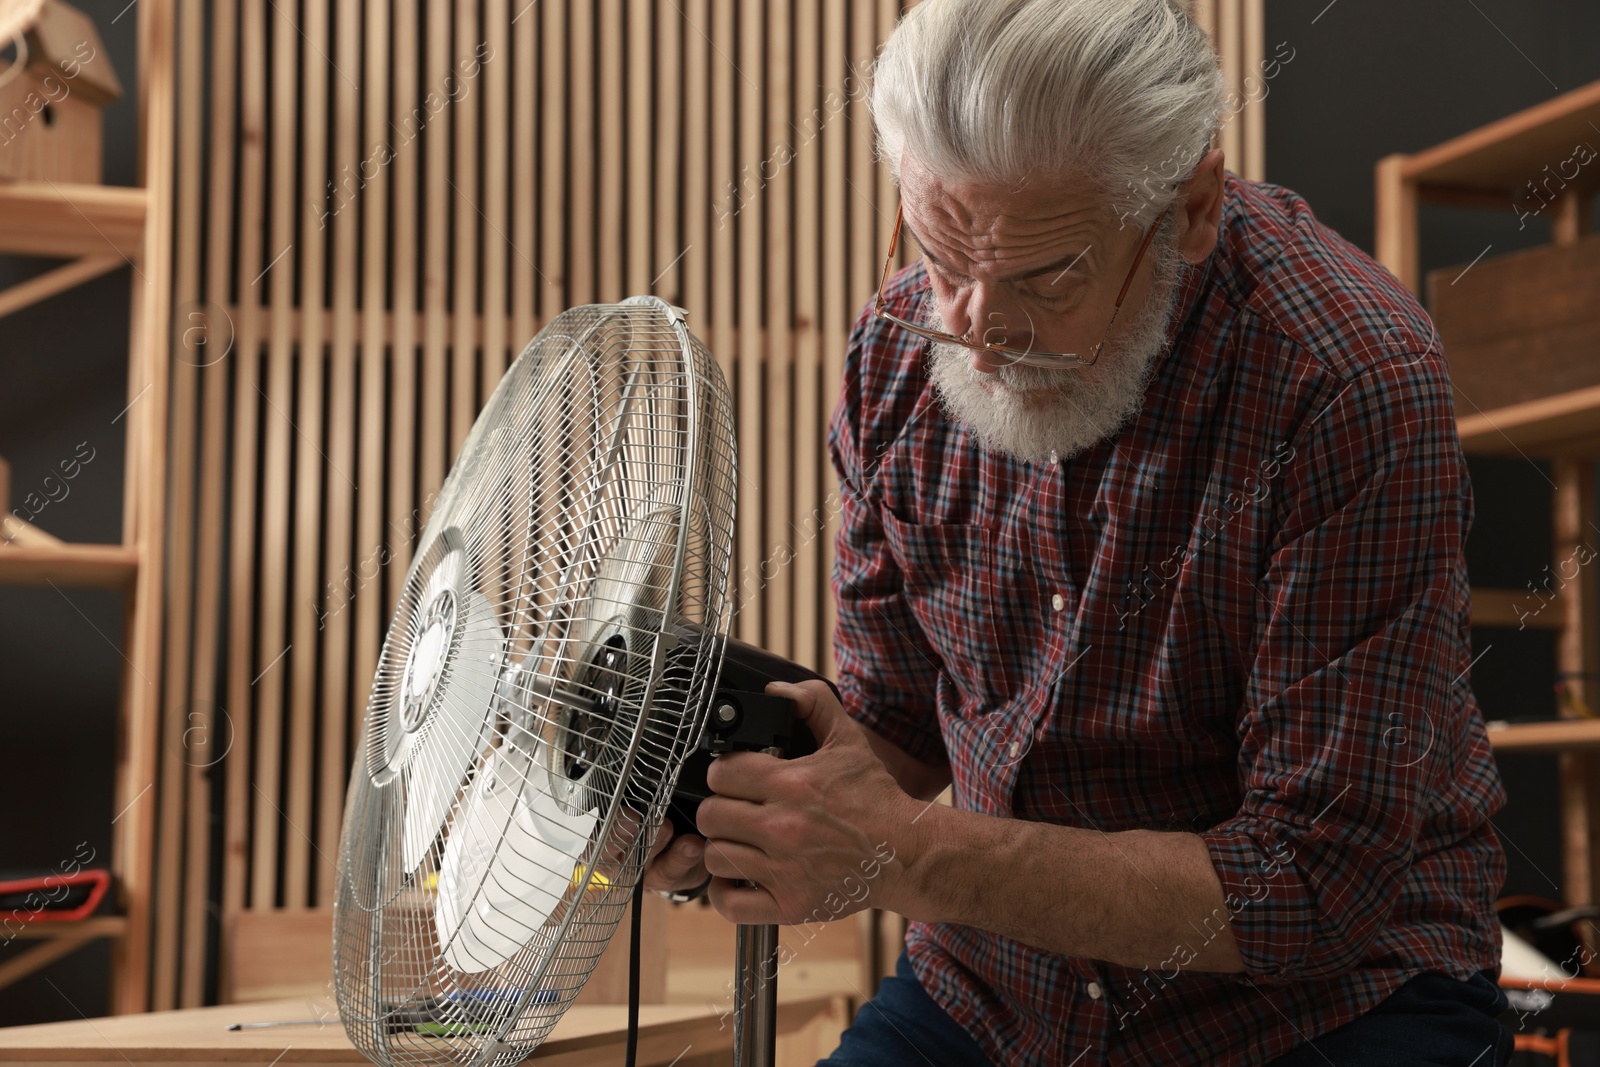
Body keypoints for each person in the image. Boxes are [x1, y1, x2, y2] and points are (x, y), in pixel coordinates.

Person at [646, 1, 1513, 1063]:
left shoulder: (1345, 378)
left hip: (1318, 1002)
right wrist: (734, 797)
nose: (978, 329)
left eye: (1045, 274)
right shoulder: (894, 357)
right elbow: (897, 728)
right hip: (994, 988)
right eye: (937, 254)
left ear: (1190, 206)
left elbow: (1308, 882)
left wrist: (906, 856)